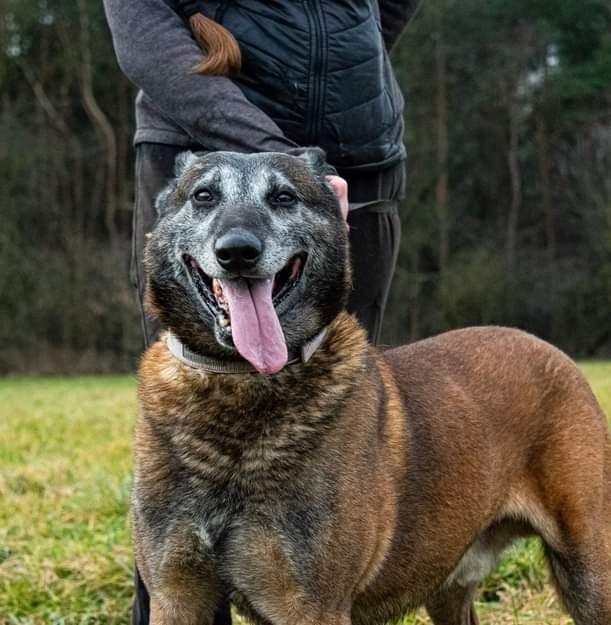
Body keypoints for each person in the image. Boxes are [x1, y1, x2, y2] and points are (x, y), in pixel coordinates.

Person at [103, 0, 421, 623]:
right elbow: (139, 22)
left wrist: (351, 58)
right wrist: (271, 147)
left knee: (344, 434)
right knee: (185, 454)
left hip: (357, 152)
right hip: (201, 133)